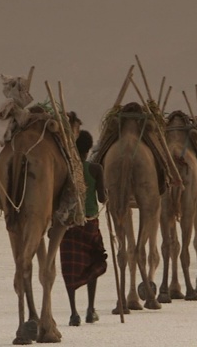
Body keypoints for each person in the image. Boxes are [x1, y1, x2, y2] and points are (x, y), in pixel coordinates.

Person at [60, 130, 108, 326]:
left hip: (70, 225)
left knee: (69, 267)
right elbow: (102, 199)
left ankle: (73, 313)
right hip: (90, 223)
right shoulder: (95, 169)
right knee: (92, 264)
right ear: (89, 149)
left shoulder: (66, 169)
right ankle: (90, 309)